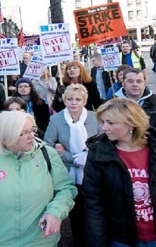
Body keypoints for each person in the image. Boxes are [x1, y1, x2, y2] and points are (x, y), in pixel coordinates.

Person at [83, 98, 156, 247]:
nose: (104, 128)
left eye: (111, 123)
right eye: (103, 122)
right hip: (121, 239)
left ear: (131, 123)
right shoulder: (98, 155)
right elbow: (95, 205)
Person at [0, 111, 77, 247]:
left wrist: (55, 212)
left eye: (32, 130)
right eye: (23, 133)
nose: (32, 136)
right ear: (5, 137)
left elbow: (66, 189)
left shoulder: (47, 154)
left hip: (41, 240)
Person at [44, 84, 101, 247]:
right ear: (64, 100)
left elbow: (102, 145)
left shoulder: (95, 117)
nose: (73, 103)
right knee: (75, 213)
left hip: (92, 173)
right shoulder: (56, 119)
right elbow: (48, 146)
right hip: (68, 174)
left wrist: (87, 155)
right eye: (70, 99)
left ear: (85, 101)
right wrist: (70, 156)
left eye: (78, 99)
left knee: (95, 212)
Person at [114, 68, 156, 139]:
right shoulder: (113, 102)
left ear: (145, 83)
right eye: (130, 81)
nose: (135, 84)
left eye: (139, 81)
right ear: (123, 83)